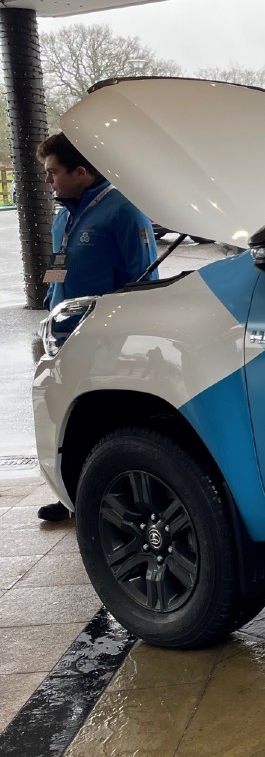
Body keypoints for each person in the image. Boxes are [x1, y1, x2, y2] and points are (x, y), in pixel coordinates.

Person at [35, 132, 158, 522]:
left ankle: (116, 496)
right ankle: (69, 493)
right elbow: (60, 257)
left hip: (103, 338)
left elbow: (143, 277)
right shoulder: (64, 212)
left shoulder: (124, 211)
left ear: (81, 171)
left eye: (53, 172)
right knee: (61, 419)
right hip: (61, 332)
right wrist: (50, 299)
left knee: (103, 419)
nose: (49, 181)